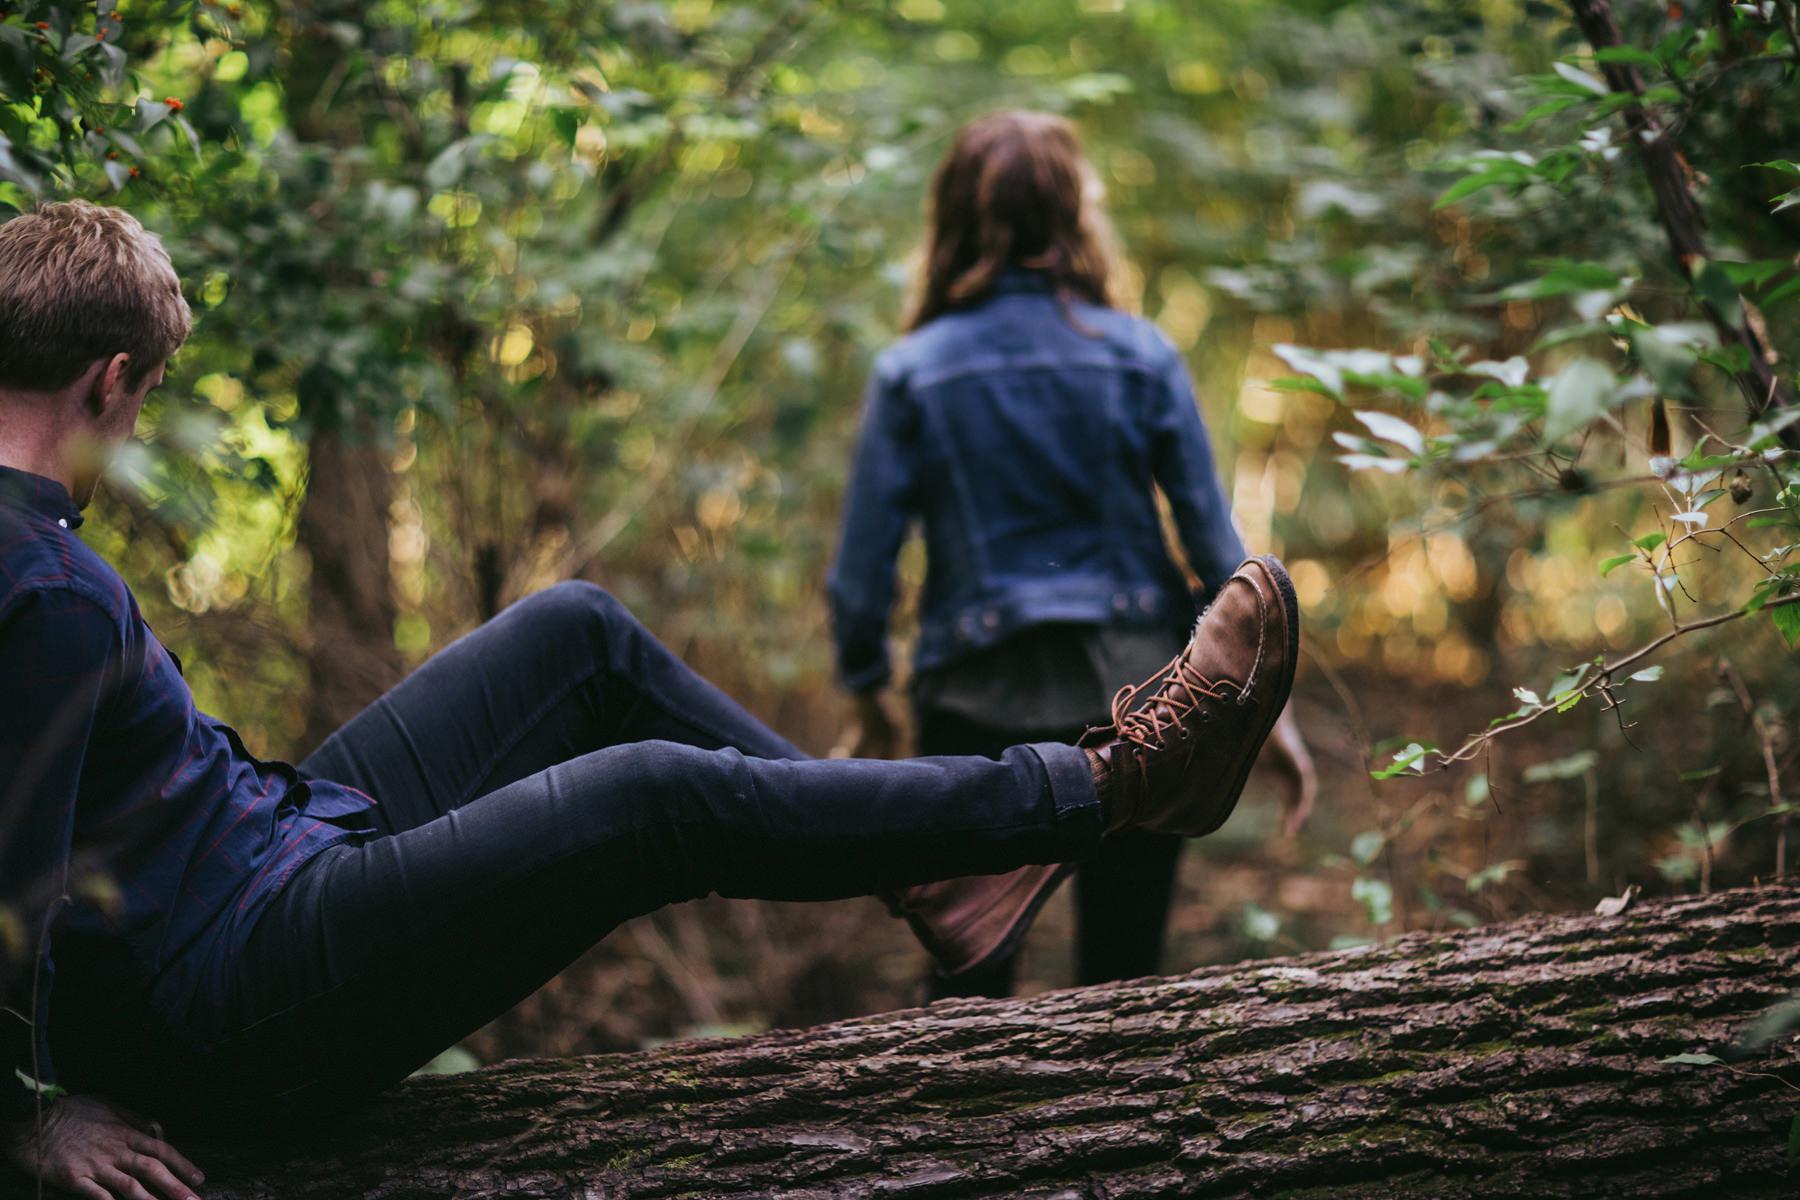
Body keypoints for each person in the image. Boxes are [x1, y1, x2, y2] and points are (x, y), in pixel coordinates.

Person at [0, 200, 1297, 1200]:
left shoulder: (34, 551)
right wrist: (31, 1110)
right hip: (241, 992)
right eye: (148, 399)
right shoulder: (44, 583)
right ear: (112, 380)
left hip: (266, 847)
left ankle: (935, 871)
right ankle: (1105, 786)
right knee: (650, 800)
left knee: (579, 634)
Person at [828, 111, 1316, 999]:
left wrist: (867, 693)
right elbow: (1220, 554)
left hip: (972, 702)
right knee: (1124, 985)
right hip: (1140, 709)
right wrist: (1265, 712)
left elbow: (861, 578)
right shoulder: (1140, 356)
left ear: (953, 220)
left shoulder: (912, 370)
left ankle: (955, 1141)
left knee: (968, 978)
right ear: (1074, 218)